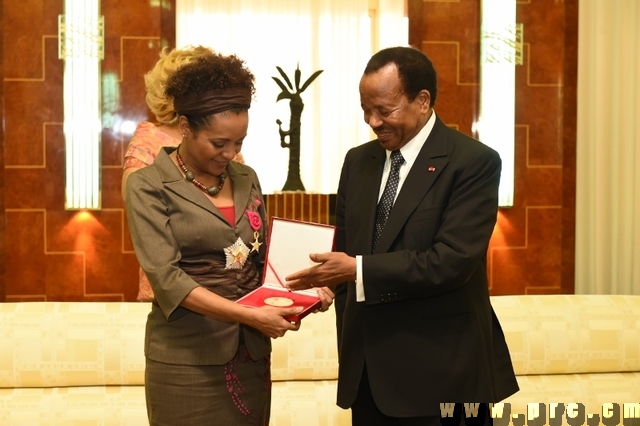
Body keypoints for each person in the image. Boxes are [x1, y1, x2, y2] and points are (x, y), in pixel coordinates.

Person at [285, 46, 519, 425]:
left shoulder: (473, 162)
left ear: (422, 101)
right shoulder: (358, 162)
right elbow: (342, 250)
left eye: (385, 110)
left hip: (444, 377)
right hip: (368, 376)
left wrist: (354, 270)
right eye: (365, 110)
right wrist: (322, 287)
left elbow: (451, 262)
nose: (373, 121)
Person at [124, 52, 334, 426]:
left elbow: (261, 260)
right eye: (219, 143)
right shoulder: (148, 185)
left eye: (239, 142)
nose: (231, 153)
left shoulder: (245, 176)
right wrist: (251, 314)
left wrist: (306, 291)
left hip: (251, 356)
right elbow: (167, 280)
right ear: (186, 126)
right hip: (185, 362)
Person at [121, 45, 244, 302]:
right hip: (176, 300)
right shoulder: (147, 145)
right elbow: (146, 228)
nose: (229, 153)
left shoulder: (228, 147)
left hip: (235, 289)